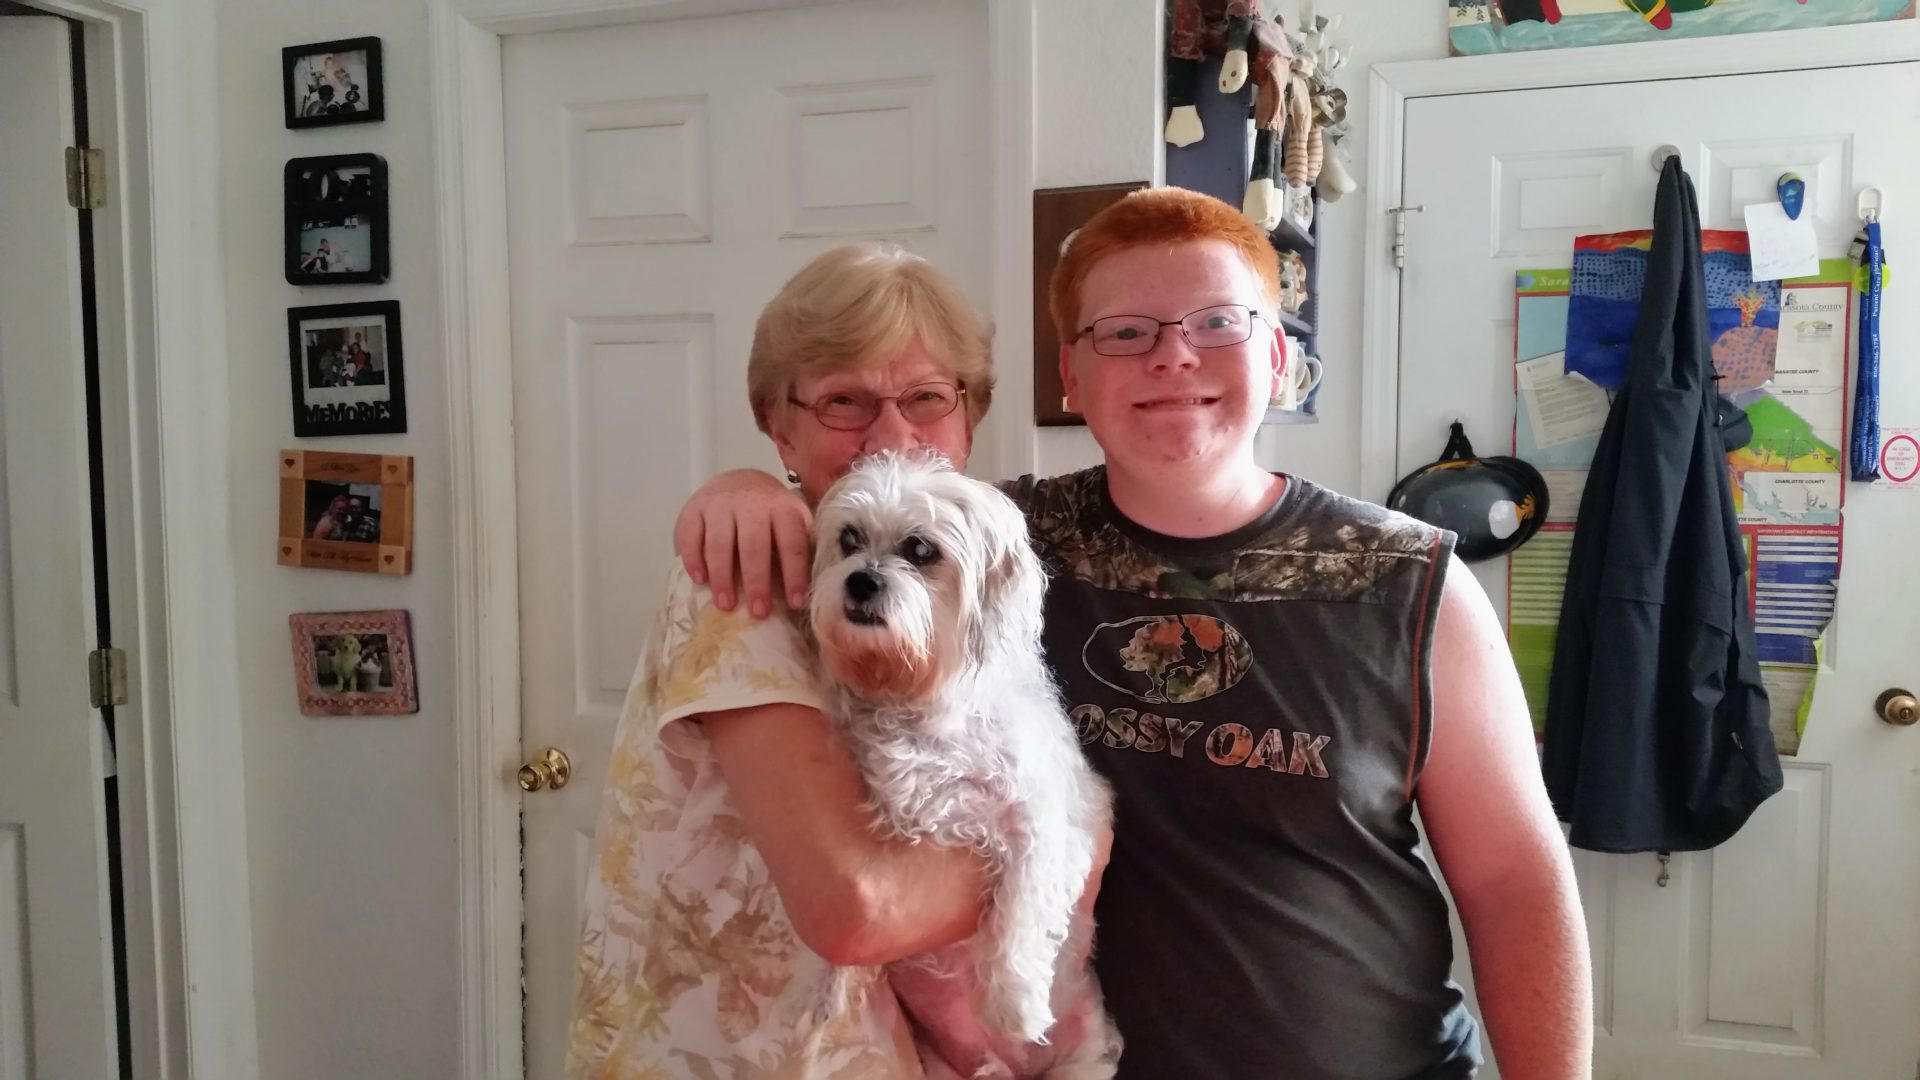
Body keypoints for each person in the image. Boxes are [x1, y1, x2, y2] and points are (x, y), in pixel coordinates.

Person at [675, 187, 1593, 1079]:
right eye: (1126, 333)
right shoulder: (992, 545)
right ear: (1072, 376)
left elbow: (1515, 885)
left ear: (1277, 357)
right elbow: (857, 513)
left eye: (1217, 324)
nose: (1173, 359)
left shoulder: (1409, 582)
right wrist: (745, 490)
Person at [564, 242, 1081, 1078]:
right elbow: (857, 911)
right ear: (781, 425)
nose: (891, 436)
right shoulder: (740, 575)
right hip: (733, 1053)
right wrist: (1066, 848)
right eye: (845, 401)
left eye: (926, 397)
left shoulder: (970, 566)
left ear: (969, 414)